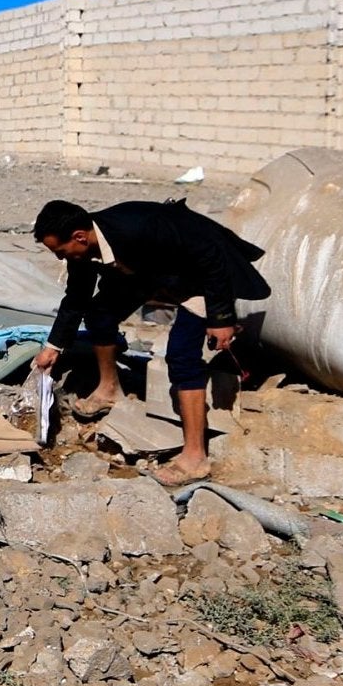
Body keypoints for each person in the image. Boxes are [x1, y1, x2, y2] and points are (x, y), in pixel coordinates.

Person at [29, 197, 269, 487]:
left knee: (181, 355)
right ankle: (109, 389)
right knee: (99, 313)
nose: (60, 258)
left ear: (79, 236)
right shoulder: (83, 249)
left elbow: (211, 255)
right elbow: (76, 298)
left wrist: (221, 318)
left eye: (60, 251)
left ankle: (195, 456)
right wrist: (53, 348)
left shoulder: (140, 227)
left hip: (197, 276)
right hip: (149, 273)